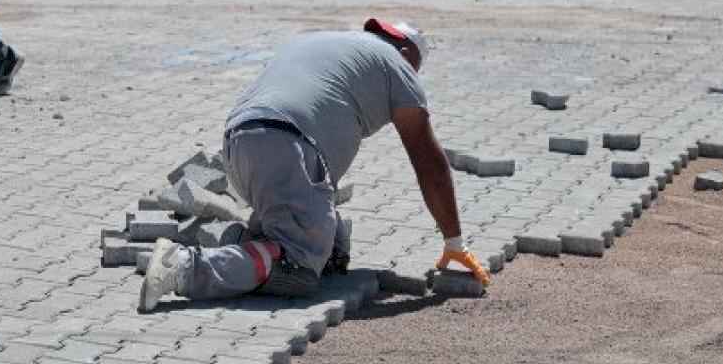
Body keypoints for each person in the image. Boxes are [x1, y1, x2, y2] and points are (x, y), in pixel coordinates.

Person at [139, 18, 490, 312]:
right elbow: (429, 163)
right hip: (284, 148)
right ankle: (184, 267)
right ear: (405, 53)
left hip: (240, 145)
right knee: (300, 268)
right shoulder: (396, 64)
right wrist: (454, 242)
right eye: (414, 67)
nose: (412, 77)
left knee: (329, 242)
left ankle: (252, 242)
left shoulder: (327, 43)